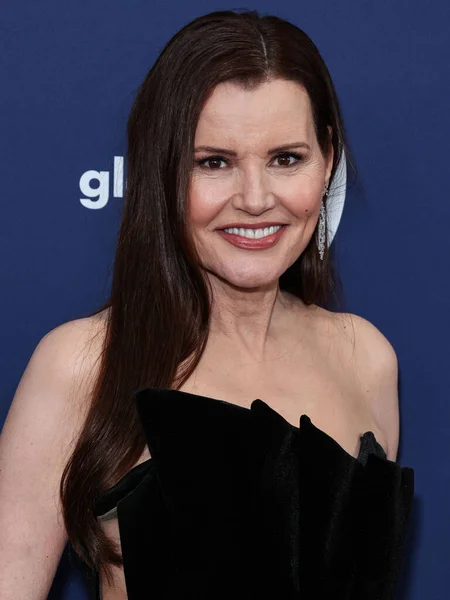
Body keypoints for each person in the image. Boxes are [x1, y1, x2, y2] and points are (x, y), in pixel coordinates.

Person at [0, 9, 414, 600]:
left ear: (327, 161)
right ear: (163, 172)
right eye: (213, 162)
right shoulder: (82, 365)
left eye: (286, 159)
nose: (254, 198)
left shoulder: (366, 357)